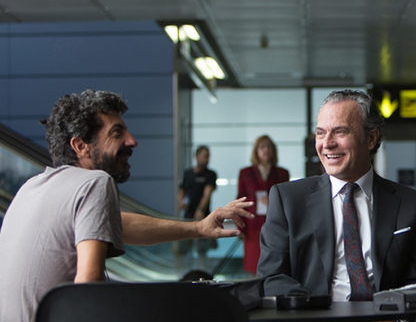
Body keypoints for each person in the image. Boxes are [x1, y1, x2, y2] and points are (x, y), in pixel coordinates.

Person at [0, 90, 254, 322]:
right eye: (116, 132)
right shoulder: (94, 182)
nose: (132, 141)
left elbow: (121, 225)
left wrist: (198, 227)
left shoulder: (33, 188)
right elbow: (88, 288)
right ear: (80, 146)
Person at [257, 89, 416, 301]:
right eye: (321, 133)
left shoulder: (411, 204)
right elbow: (271, 277)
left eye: (340, 132)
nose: (327, 143)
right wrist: (317, 311)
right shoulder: (287, 200)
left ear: (370, 139)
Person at [237, 135, 289, 275]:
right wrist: (239, 227)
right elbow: (239, 201)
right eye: (262, 147)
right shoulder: (245, 173)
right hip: (252, 225)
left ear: (273, 150)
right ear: (256, 151)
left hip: (274, 224)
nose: (265, 150)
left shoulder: (282, 173)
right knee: (254, 266)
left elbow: (286, 201)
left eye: (268, 146)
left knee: (274, 265)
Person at [175, 145, 219, 267]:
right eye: (205, 156)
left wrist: (200, 209)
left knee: (202, 248)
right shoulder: (188, 173)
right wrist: (181, 202)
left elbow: (207, 193)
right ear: (197, 156)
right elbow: (182, 189)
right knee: (183, 246)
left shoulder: (210, 174)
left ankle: (203, 272)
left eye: (208, 156)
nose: (207, 159)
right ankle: (182, 273)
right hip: (188, 215)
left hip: (203, 216)